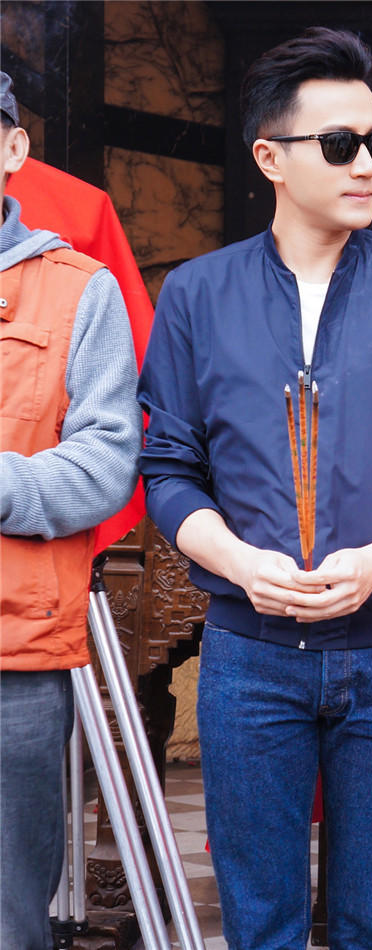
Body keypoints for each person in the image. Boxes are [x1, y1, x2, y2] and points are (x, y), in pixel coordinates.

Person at [138, 28, 372, 950]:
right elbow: (168, 471)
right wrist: (240, 562)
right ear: (271, 158)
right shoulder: (197, 295)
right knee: (260, 924)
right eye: (339, 145)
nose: (366, 165)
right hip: (248, 654)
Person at [0, 72, 142, 949]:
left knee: (11, 910)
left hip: (15, 652)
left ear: (14, 148)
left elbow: (106, 464)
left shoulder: (81, 290)